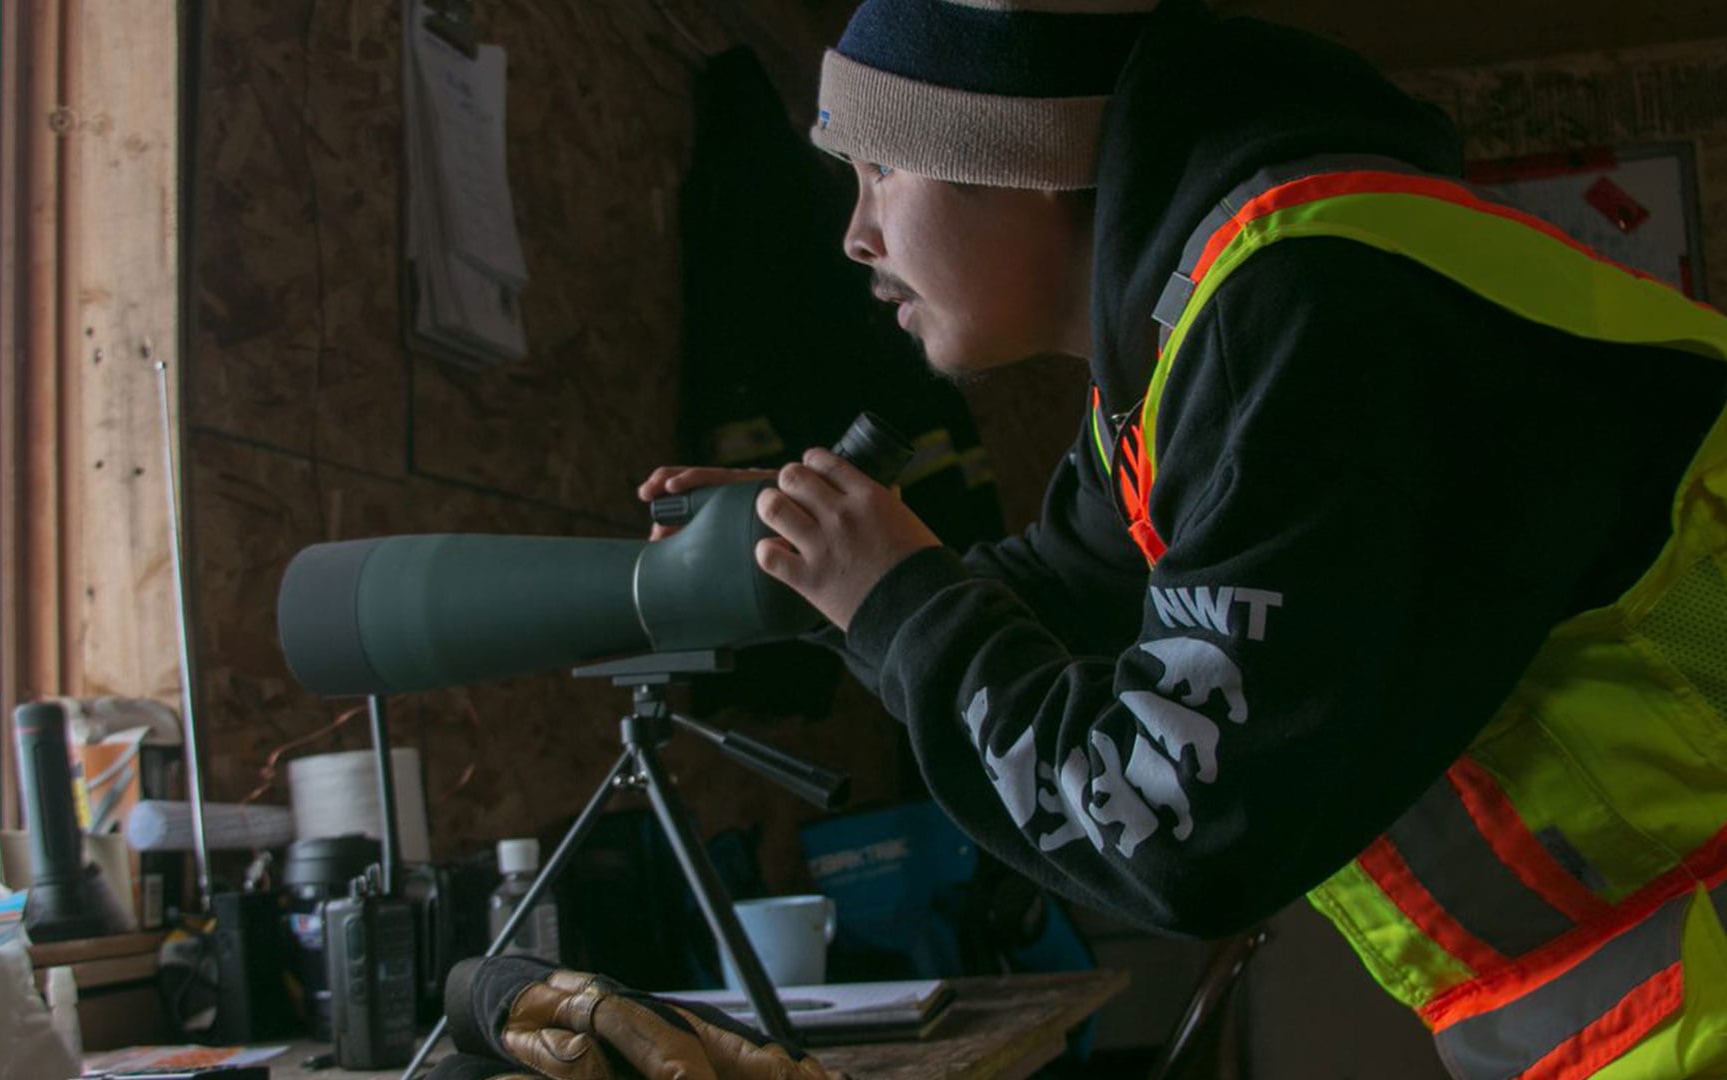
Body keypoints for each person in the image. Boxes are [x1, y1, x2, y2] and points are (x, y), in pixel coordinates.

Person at [640, 0, 1727, 1074]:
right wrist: (817, 571)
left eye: (881, 170)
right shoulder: (1189, 344)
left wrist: (898, 600)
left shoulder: (1303, 314)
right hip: (1621, 996)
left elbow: (1182, 829)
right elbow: (1052, 595)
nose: (856, 233)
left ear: (1024, 154)